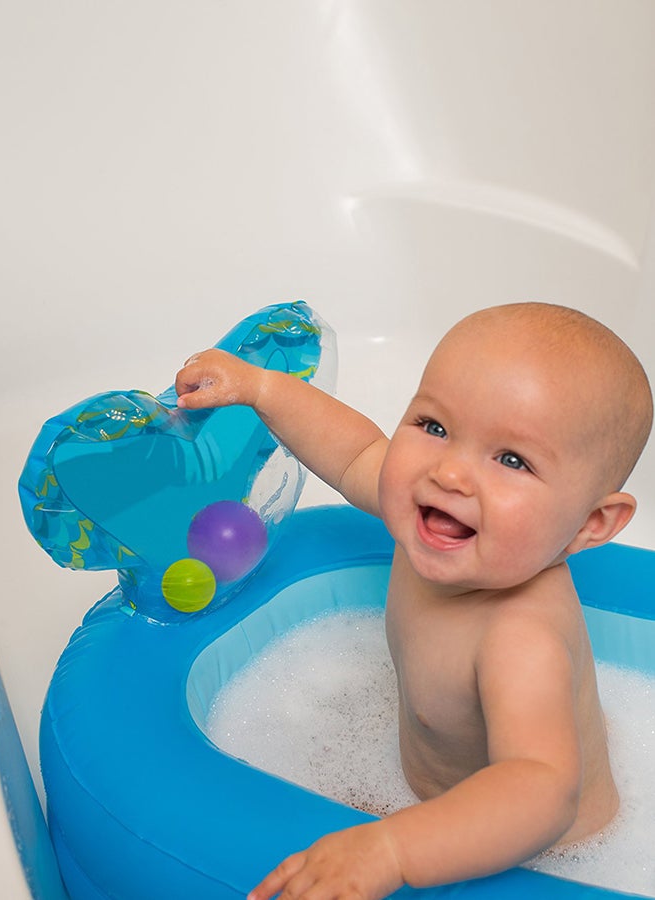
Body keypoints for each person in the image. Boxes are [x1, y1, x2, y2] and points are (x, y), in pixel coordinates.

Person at [174, 302, 653, 900]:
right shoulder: (436, 520)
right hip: (433, 794)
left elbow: (541, 790)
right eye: (434, 426)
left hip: (542, 860)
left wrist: (393, 847)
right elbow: (352, 453)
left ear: (591, 524)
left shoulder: (520, 636)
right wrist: (264, 389)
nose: (449, 472)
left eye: (512, 460)